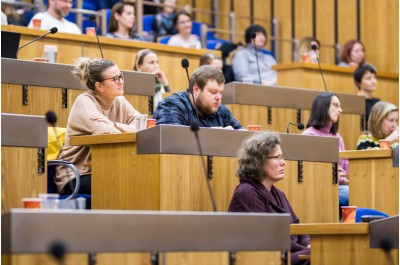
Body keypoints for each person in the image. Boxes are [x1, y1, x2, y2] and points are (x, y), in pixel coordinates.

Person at [55, 57, 141, 195]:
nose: (121, 82)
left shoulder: (120, 100)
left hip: (104, 168)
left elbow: (142, 126)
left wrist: (113, 124)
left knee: (138, 179)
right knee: (122, 183)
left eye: (121, 76)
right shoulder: (84, 101)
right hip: (76, 174)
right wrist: (124, 128)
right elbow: (103, 131)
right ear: (99, 86)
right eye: (115, 79)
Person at [228, 132, 310, 265]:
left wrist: (309, 246)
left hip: (288, 256)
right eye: (277, 158)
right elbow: (269, 241)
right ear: (258, 162)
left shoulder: (279, 194)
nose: (283, 162)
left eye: (282, 157)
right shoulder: (246, 193)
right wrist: (308, 252)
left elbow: (300, 230)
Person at [153, 65, 243, 129]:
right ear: (196, 89)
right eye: (213, 92)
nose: (218, 97)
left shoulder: (222, 110)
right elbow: (172, 139)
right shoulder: (171, 105)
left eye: (221, 92)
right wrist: (216, 136)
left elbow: (244, 138)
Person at [301, 93, 349, 210]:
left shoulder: (337, 136)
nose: (340, 110)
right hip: (326, 187)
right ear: (323, 106)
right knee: (352, 193)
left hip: (342, 184)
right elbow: (317, 172)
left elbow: (346, 166)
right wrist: (345, 180)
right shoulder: (309, 135)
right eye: (336, 105)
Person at [354, 64, 380, 129]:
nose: (373, 81)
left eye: (374, 77)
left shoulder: (378, 102)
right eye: (369, 78)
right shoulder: (355, 102)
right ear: (358, 82)